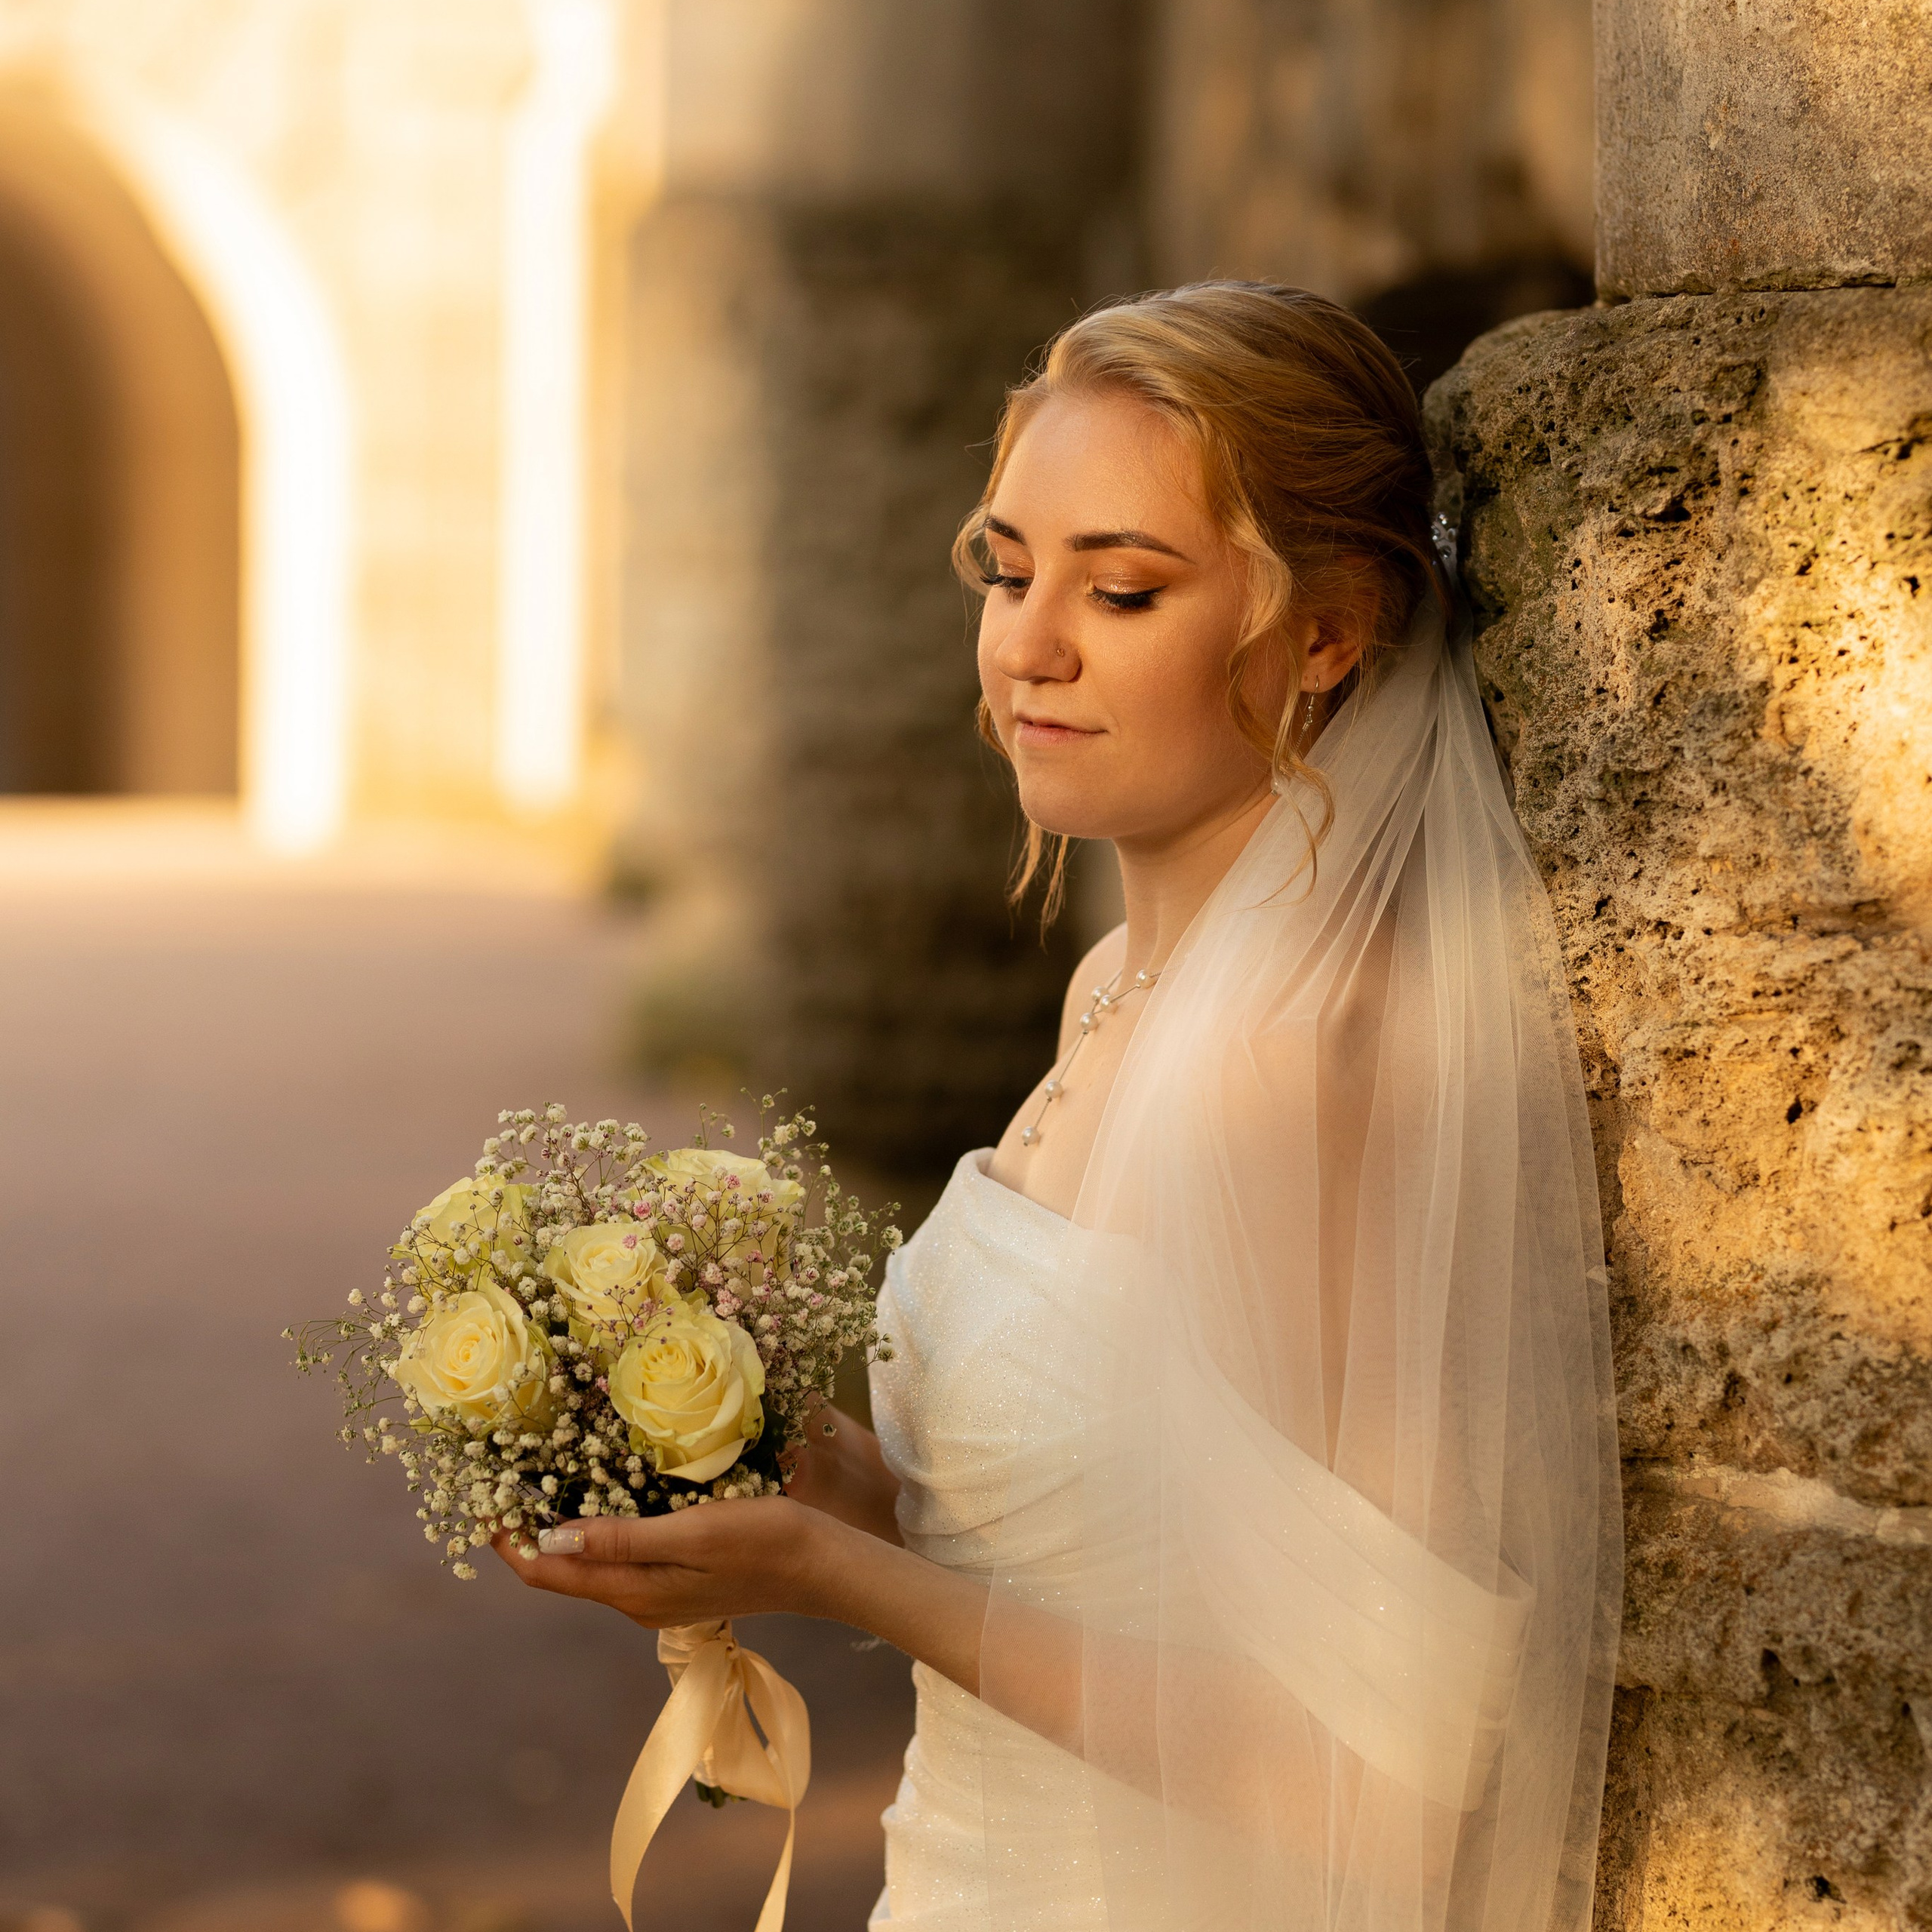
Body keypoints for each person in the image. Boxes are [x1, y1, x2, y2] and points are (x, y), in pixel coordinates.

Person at [494, 282, 1621, 1932]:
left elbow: (1375, 1780)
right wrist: (811, 1482)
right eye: (1007, 568)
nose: (1028, 642)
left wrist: (836, 1575)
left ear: (1322, 631)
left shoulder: (1308, 1057)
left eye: (1124, 586)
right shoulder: (1115, 995)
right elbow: (1118, 1538)